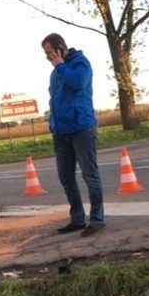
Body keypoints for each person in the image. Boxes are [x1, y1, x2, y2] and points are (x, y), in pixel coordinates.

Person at [41, 32, 105, 237]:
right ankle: (77, 218)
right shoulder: (55, 72)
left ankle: (96, 219)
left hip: (81, 128)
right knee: (65, 176)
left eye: (50, 52)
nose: (47, 57)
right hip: (61, 132)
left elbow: (78, 83)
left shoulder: (80, 63)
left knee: (90, 175)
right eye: (46, 54)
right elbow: (55, 99)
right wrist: (53, 123)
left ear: (61, 49)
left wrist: (60, 65)